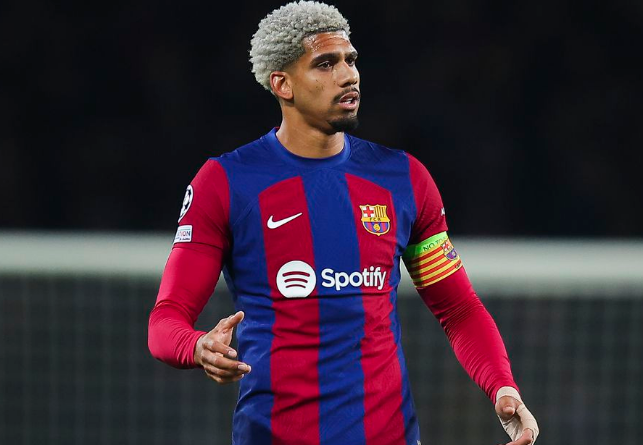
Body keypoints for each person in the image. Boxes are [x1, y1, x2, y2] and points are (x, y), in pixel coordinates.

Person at [147, 2, 539, 444]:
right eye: (325, 64)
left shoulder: (404, 179)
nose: (348, 75)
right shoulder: (226, 182)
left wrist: (502, 387)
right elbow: (166, 320)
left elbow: (459, 309)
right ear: (282, 84)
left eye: (350, 60)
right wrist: (197, 346)